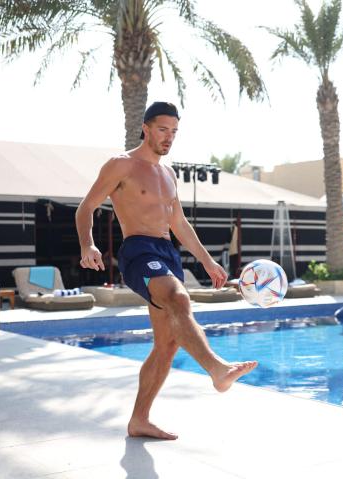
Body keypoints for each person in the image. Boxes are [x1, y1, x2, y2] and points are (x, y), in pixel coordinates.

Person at [75, 101, 257, 440]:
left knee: (167, 344)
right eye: (162, 129)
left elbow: (179, 223)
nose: (169, 137)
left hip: (167, 253)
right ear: (145, 129)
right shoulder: (121, 165)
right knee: (178, 297)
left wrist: (207, 261)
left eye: (174, 131)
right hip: (138, 249)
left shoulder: (168, 174)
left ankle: (139, 420)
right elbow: (86, 207)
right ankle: (218, 369)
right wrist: (88, 244)